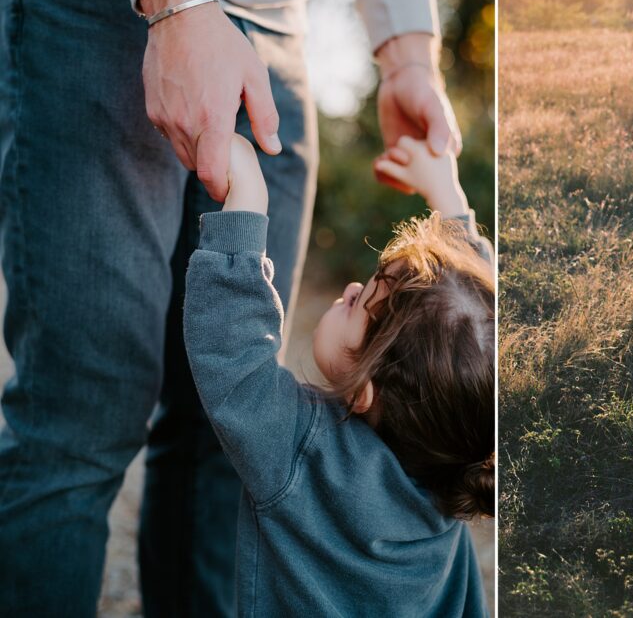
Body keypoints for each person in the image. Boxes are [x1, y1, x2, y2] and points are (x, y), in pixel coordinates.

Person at [0, 0, 462, 614]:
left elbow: (235, 356)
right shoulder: (450, 485)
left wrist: (408, 56)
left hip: (274, 20)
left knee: (215, 450)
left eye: (366, 301)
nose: (357, 283)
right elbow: (473, 288)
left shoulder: (283, 438)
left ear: (369, 390)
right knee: (80, 413)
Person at [181, 133, 492, 615]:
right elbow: (477, 336)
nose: (348, 288)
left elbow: (234, 357)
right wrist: (447, 197)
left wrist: (247, 200)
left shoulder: (300, 453)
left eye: (355, 304)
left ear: (365, 392)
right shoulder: (453, 463)